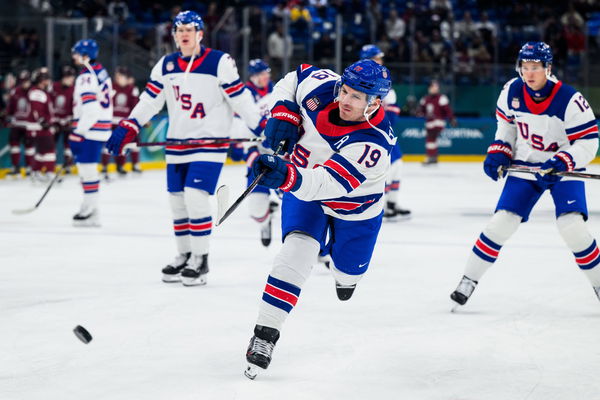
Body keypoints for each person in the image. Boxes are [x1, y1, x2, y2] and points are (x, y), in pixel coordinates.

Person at [243, 59, 395, 379]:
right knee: (295, 253)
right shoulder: (323, 87)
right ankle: (265, 334)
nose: (345, 100)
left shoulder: (374, 142)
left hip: (354, 207)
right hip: (304, 193)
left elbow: (325, 184)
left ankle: (342, 271)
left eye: (357, 97)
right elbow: (293, 78)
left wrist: (286, 175)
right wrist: (284, 111)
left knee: (348, 274)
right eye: (346, 91)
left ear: (375, 103)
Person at [106, 11, 264, 286]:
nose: (184, 34)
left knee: (195, 196)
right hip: (177, 144)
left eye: (189, 29)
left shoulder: (219, 62)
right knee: (177, 201)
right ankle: (184, 254)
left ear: (200, 33)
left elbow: (240, 99)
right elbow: (150, 100)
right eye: (179, 30)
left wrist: (261, 127)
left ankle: (201, 259)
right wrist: (130, 124)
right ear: (174, 35)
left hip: (209, 144)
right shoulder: (166, 65)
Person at [450, 42, 600, 309]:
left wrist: (562, 161)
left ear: (548, 68)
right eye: (525, 67)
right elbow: (506, 125)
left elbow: (589, 142)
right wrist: (500, 150)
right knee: (501, 223)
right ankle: (468, 280)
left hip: (563, 168)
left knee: (572, 228)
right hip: (527, 165)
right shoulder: (512, 90)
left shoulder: (569, 99)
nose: (529, 73)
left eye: (535, 68)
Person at [229, 58, 278, 246]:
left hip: (283, 154)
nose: (264, 77)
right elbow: (239, 131)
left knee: (298, 202)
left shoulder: (279, 90)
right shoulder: (244, 96)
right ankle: (265, 221)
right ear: (252, 77)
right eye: (259, 74)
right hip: (259, 157)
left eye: (266, 73)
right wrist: (247, 152)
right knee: (257, 211)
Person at [360, 44, 411, 219]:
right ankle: (381, 205)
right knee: (385, 168)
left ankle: (391, 202)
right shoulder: (362, 80)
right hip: (373, 130)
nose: (380, 61)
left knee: (397, 164)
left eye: (380, 58)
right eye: (376, 58)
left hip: (385, 130)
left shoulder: (382, 77)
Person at [70, 38, 114, 227]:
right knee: (88, 171)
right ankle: (90, 208)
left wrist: (79, 131)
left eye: (76, 53)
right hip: (100, 129)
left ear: (85, 55)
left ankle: (91, 210)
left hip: (90, 130)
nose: (73, 56)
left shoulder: (86, 76)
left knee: (87, 172)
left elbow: (92, 109)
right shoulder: (101, 72)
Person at [102, 66, 140, 177]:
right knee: (109, 143)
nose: (118, 78)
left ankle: (122, 165)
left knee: (124, 143)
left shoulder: (132, 89)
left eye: (121, 76)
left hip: (124, 123)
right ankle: (104, 166)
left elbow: (135, 106)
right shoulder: (111, 87)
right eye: (117, 76)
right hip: (111, 122)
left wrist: (137, 119)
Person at [27, 67, 55, 181]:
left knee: (42, 151)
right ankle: (49, 172)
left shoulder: (41, 92)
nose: (48, 81)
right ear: (41, 80)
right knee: (49, 149)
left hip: (41, 126)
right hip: (39, 127)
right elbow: (36, 110)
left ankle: (36, 172)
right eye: (46, 79)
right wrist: (43, 122)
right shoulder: (36, 92)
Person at [418, 79, 456, 165]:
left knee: (431, 138)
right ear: (429, 88)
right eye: (433, 87)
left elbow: (448, 110)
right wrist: (418, 112)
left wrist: (452, 119)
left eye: (436, 87)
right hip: (429, 123)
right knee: (431, 140)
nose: (435, 89)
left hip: (438, 122)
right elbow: (421, 111)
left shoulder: (442, 98)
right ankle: (433, 157)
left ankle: (431, 157)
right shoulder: (425, 99)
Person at [6, 70, 32, 177]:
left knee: (29, 147)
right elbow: (10, 107)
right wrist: (7, 116)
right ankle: (15, 166)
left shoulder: (33, 92)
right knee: (14, 146)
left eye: (26, 81)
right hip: (17, 124)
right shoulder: (15, 91)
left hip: (29, 125)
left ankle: (29, 167)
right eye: (22, 81)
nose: (24, 83)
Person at [51, 65, 76, 174]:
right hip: (54, 122)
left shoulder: (74, 89)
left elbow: (75, 106)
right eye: (70, 78)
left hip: (67, 121)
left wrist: (71, 119)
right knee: (52, 144)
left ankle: (67, 165)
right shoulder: (53, 87)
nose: (72, 80)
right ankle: (51, 165)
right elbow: (49, 103)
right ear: (64, 77)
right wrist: (52, 120)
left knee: (68, 144)